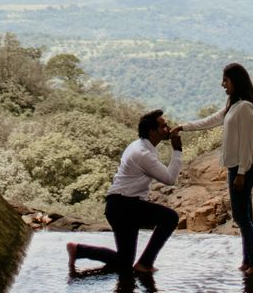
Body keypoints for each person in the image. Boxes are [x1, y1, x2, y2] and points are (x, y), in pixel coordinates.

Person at [66, 110, 182, 276]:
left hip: (119, 206)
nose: (168, 128)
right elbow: (170, 179)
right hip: (125, 206)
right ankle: (144, 263)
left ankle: (79, 250)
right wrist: (177, 150)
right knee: (170, 218)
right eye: (163, 126)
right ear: (151, 131)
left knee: (124, 261)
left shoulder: (139, 146)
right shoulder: (143, 154)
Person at [175, 62, 253, 273]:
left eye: (226, 80)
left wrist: (241, 173)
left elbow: (246, 144)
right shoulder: (233, 104)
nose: (222, 84)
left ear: (236, 81)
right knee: (244, 217)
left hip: (244, 168)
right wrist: (184, 127)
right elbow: (212, 120)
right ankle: (248, 261)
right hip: (237, 167)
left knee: (242, 218)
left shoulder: (245, 108)